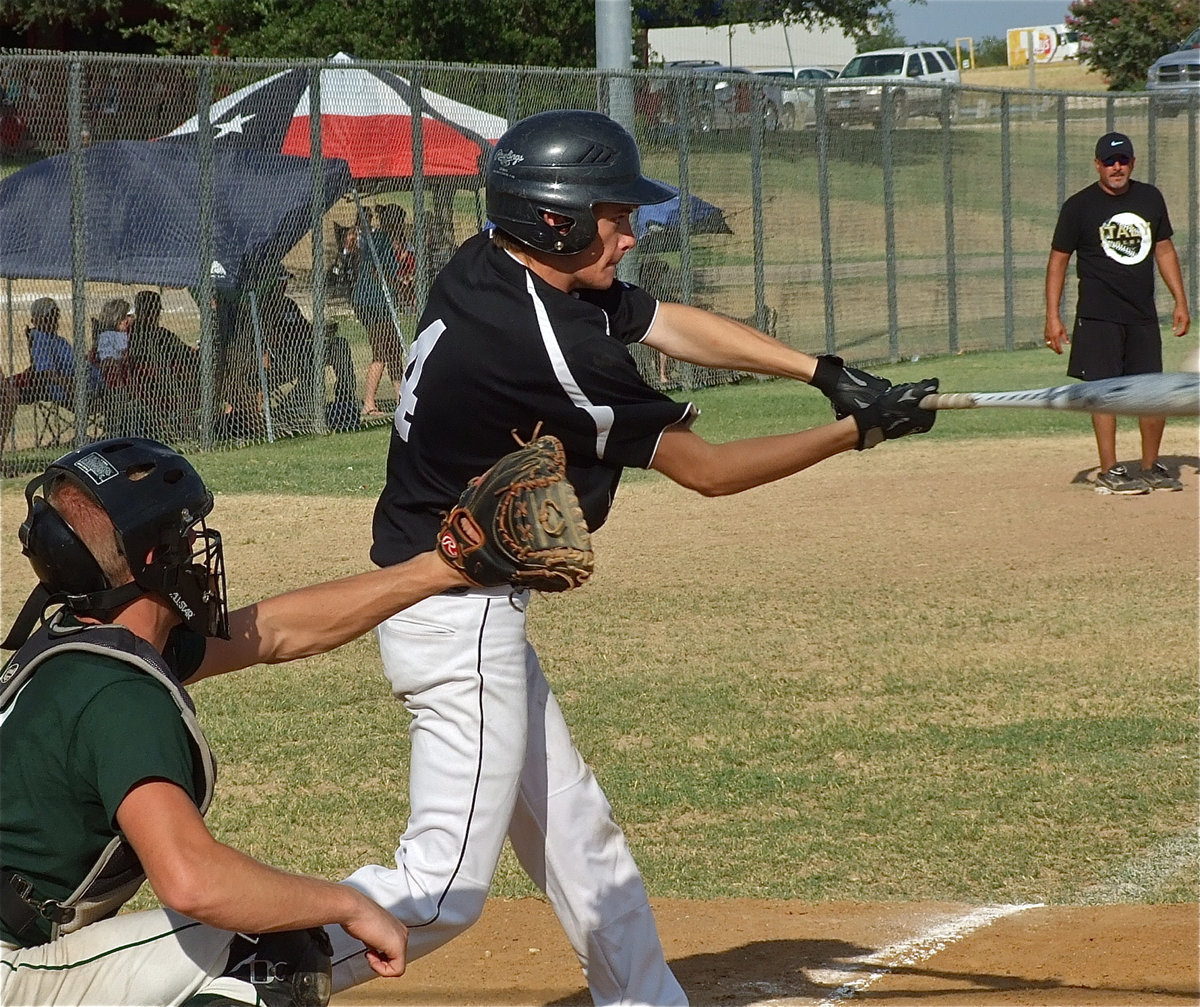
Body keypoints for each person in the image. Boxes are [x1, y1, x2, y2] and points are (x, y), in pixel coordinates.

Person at [330, 109, 938, 1004]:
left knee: (582, 840)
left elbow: (663, 321)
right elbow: (712, 473)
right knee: (441, 890)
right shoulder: (555, 347)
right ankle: (241, 973)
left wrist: (822, 371)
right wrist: (854, 432)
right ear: (556, 222)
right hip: (454, 619)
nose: (631, 232)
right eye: (613, 215)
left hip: (456, 604)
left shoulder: (488, 266)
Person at [0, 435, 485, 1005]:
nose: (197, 555)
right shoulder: (120, 696)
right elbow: (191, 880)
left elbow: (277, 630)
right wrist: (347, 903)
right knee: (273, 942)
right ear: (155, 560)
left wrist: (444, 568)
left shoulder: (67, 647)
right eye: (185, 538)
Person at [1045, 131, 1191, 495]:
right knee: (1103, 393)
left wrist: (1181, 301)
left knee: (1153, 392)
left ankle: (1150, 466)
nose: (1116, 167)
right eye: (1109, 161)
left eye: (1122, 160)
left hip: (1142, 313)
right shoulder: (1079, 207)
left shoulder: (1149, 198)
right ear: (1097, 165)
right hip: (1098, 316)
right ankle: (1110, 471)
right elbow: (1058, 261)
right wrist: (1053, 315)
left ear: (1132, 163)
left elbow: (1164, 250)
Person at [0, 297, 102, 460]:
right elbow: (46, 372)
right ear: (37, 319)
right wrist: (71, 385)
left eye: (55, 315)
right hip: (69, 389)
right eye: (49, 316)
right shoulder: (41, 339)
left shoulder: (59, 340)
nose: (54, 320)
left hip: (89, 379)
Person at [351, 205, 413, 417]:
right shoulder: (381, 240)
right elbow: (379, 273)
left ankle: (400, 397)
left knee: (394, 349)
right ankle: (368, 403)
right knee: (381, 351)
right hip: (372, 302)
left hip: (383, 302)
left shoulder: (388, 241)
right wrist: (401, 287)